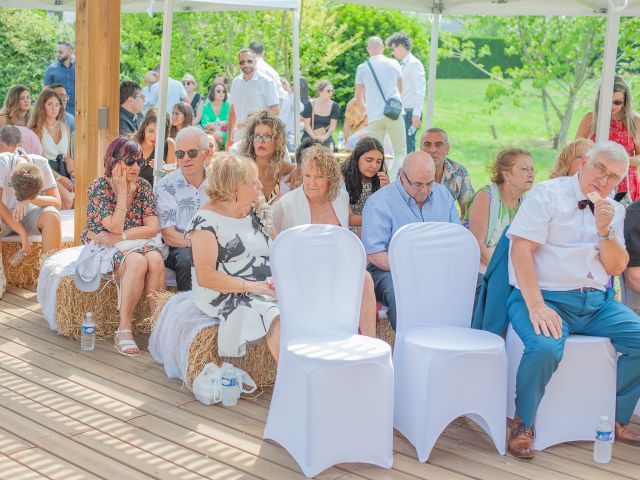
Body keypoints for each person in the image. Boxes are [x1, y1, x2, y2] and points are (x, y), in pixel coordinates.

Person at [506, 141, 640, 458]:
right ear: (583, 163)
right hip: (544, 296)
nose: (604, 182)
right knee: (545, 347)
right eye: (600, 170)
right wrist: (537, 305)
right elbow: (520, 250)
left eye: (614, 178)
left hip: (596, 303)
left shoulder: (615, 209)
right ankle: (523, 423)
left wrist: (605, 230)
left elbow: (616, 267)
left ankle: (617, 417)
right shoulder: (546, 195)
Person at [272, 143, 377, 337]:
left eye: (318, 177)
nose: (311, 182)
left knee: (366, 278)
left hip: (338, 268)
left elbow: (349, 229)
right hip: (303, 272)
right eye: (307, 176)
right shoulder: (287, 204)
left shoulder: (340, 197)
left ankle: (369, 342)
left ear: (330, 178)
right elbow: (270, 238)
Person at [185, 153, 280, 360]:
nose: (260, 187)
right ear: (234, 186)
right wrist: (253, 287)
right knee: (278, 317)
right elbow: (206, 277)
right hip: (224, 291)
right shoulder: (205, 221)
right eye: (253, 182)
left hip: (264, 284)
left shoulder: (258, 211)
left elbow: (279, 251)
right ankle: (293, 386)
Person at [80, 136, 165, 357]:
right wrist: (121, 191)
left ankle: (158, 326)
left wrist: (122, 236)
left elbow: (152, 227)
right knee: (137, 261)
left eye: (139, 162)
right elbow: (114, 225)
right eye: (129, 161)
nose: (136, 167)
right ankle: (124, 329)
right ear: (113, 162)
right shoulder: (99, 187)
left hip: (130, 242)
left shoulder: (144, 186)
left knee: (155, 260)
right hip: (103, 247)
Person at [362, 151, 459, 330]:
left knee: (477, 285)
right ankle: (411, 345)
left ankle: (460, 341)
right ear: (402, 177)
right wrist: (415, 267)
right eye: (418, 184)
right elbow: (375, 254)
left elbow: (456, 239)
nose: (424, 190)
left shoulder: (443, 195)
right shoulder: (379, 202)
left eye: (429, 183)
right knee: (403, 293)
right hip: (391, 269)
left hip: (438, 265)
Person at [156, 127, 210, 292]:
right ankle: (189, 311)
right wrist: (203, 245)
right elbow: (170, 236)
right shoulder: (165, 186)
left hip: (214, 241)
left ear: (206, 154)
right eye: (180, 154)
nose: (186, 158)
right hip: (178, 247)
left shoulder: (219, 183)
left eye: (192, 152)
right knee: (188, 258)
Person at [465, 149, 534, 274]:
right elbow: (477, 244)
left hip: (509, 266)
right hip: (479, 265)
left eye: (532, 169)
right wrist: (504, 273)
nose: (531, 174)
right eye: (524, 169)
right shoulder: (485, 197)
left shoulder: (526, 203)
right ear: (506, 174)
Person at [576, 76, 640, 202]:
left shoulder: (635, 121)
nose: (612, 106)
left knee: (623, 219)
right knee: (593, 216)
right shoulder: (591, 118)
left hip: (624, 181)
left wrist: (621, 161)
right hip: (594, 178)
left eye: (617, 102)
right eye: (608, 101)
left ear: (625, 101)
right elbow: (576, 150)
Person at [0, 126, 62, 254]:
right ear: (12, 177)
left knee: (52, 215)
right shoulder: (3, 162)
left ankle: (49, 270)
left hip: (28, 215)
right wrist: (21, 232)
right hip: (3, 217)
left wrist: (30, 198)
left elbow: (57, 203)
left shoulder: (41, 162)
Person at [355, 37, 406, 180]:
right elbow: (400, 88)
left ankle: (375, 182)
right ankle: (393, 180)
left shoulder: (362, 68)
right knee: (400, 152)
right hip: (394, 114)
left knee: (374, 155)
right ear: (383, 48)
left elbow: (358, 98)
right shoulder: (393, 63)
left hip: (374, 117)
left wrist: (367, 109)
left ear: (368, 49)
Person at [28, 88, 74, 210]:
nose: (54, 108)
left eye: (57, 105)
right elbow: (38, 160)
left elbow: (68, 158)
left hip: (64, 171)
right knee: (67, 200)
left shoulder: (65, 128)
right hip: (44, 172)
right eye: (50, 104)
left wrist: (74, 175)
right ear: (43, 106)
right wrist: (59, 178)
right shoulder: (36, 130)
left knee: (80, 197)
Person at [226, 49, 280, 149]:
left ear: (255, 62)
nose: (246, 64)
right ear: (239, 64)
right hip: (239, 135)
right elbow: (233, 111)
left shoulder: (266, 81)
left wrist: (255, 122)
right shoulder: (235, 82)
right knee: (239, 164)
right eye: (242, 62)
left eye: (249, 61)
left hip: (259, 136)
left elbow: (275, 110)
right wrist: (229, 137)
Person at [239, 111, 295, 203]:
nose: (261, 140)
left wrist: (299, 170)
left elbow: (301, 169)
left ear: (278, 141)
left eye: (267, 136)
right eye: (257, 136)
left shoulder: (287, 170)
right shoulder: (242, 170)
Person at [386, 32, 426, 154]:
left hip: (410, 113)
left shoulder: (414, 63)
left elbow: (420, 90)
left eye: (393, 49)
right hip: (401, 112)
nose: (392, 53)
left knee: (408, 147)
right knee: (399, 147)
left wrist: (416, 114)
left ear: (401, 46)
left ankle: (410, 172)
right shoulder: (401, 64)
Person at [420, 128, 474, 218]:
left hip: (447, 228)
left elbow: (469, 212)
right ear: (421, 149)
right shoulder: (408, 171)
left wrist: (458, 229)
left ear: (447, 149)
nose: (433, 150)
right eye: (427, 145)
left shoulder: (459, 172)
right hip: (418, 227)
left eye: (438, 145)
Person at [341, 137, 389, 236]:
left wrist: (385, 191)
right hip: (348, 229)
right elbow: (349, 219)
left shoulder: (381, 179)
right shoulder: (342, 177)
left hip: (374, 226)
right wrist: (377, 220)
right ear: (357, 158)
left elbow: (386, 211)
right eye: (369, 160)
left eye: (378, 162)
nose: (374, 166)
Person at [133, 108, 175, 186]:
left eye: (159, 132)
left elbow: (174, 178)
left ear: (165, 132)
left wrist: (165, 168)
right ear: (144, 128)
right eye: (150, 131)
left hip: (159, 195)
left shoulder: (169, 144)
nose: (154, 137)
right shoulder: (132, 143)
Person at [301, 80, 341, 150]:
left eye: (332, 91)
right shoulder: (309, 104)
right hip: (309, 135)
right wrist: (314, 137)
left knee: (329, 149)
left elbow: (332, 127)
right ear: (320, 91)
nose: (331, 93)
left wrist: (324, 137)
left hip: (325, 135)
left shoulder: (334, 106)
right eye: (328, 91)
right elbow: (307, 126)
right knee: (308, 150)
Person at [44, 40, 75, 115]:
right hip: (58, 112)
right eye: (57, 52)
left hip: (78, 112)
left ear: (70, 52)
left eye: (60, 52)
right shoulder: (51, 69)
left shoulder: (80, 69)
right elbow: (45, 93)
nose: (58, 54)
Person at [199, 82, 230, 150]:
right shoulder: (206, 107)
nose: (221, 93)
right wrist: (222, 123)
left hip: (225, 133)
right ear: (213, 93)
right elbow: (205, 124)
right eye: (218, 91)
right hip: (210, 133)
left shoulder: (228, 106)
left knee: (214, 137)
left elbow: (228, 123)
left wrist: (212, 125)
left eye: (223, 91)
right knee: (210, 137)